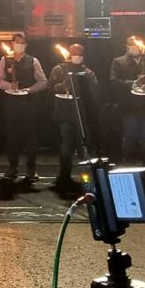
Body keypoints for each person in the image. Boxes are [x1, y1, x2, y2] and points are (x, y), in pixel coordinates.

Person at [0, 33, 48, 181]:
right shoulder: (5, 60)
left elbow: (43, 81)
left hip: (28, 104)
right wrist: (9, 85)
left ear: (26, 45)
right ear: (12, 43)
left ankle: (31, 168)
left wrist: (29, 89)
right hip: (11, 104)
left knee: (30, 138)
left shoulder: (33, 61)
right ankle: (13, 167)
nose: (20, 45)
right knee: (12, 138)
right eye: (17, 42)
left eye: (22, 42)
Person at [49, 43, 101, 189]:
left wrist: (82, 94)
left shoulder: (88, 73)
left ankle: (87, 177)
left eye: (80, 54)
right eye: (74, 54)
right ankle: (64, 176)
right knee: (66, 145)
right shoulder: (59, 70)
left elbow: (95, 92)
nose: (77, 57)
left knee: (84, 146)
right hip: (65, 113)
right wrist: (64, 84)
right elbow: (51, 88)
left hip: (81, 114)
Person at [112, 38, 145, 164]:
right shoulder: (119, 62)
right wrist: (134, 83)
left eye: (137, 45)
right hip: (130, 108)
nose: (135, 48)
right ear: (127, 46)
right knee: (130, 138)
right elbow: (114, 81)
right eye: (132, 45)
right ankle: (127, 164)